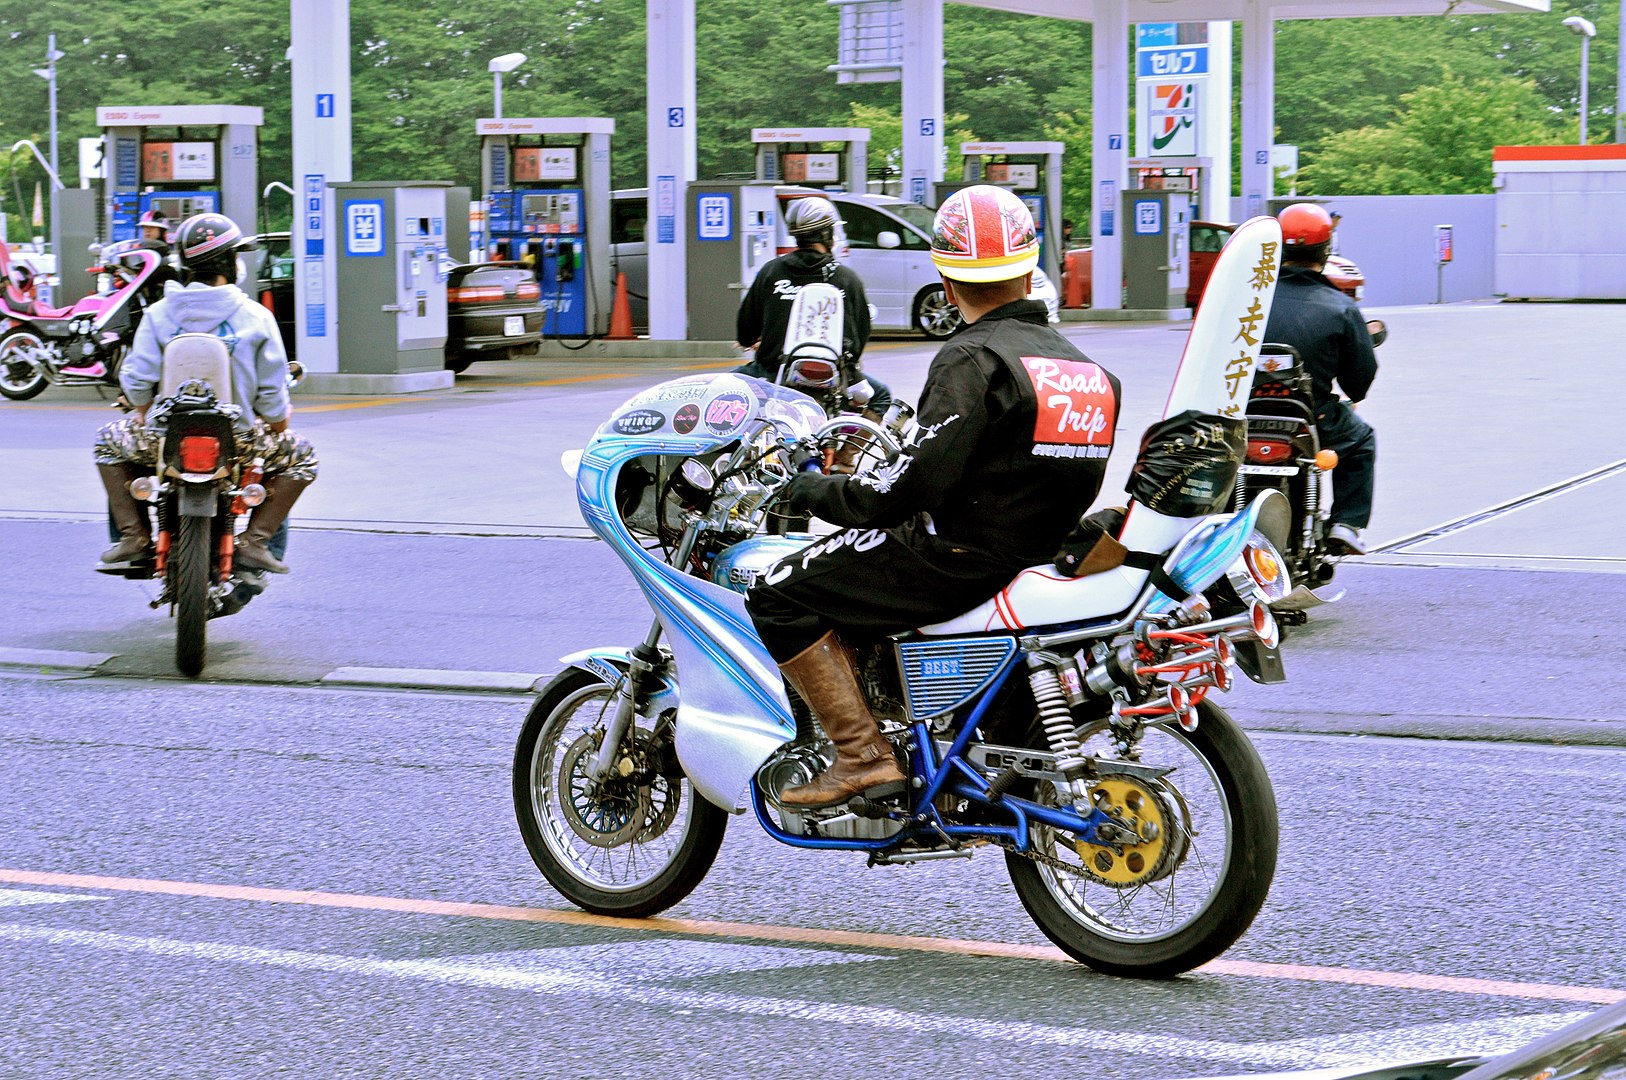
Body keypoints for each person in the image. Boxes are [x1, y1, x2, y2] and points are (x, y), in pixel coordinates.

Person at [745, 185, 1121, 810]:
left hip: (958, 558)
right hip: (1042, 554)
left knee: (777, 592)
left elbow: (904, 489)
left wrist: (810, 487)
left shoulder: (971, 358)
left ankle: (862, 756)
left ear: (947, 282)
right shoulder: (1089, 371)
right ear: (1030, 270)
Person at [93, 212, 318, 573]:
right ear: (228, 262)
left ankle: (133, 536)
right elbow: (270, 394)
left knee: (108, 440)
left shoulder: (158, 313)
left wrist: (142, 409)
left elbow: (136, 382)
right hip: (239, 438)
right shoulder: (256, 316)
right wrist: (277, 425)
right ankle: (256, 543)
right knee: (302, 455)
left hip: (164, 439)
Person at [1261, 203, 1378, 556]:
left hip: (1240, 418)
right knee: (1361, 441)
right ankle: (1346, 524)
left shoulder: (1246, 299)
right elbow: (1359, 380)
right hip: (1311, 419)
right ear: (1326, 251)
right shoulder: (1340, 306)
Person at [733, 196, 891, 418]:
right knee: (881, 396)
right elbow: (858, 340)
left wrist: (760, 342)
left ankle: (747, 452)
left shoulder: (771, 272)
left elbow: (745, 332)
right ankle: (845, 454)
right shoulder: (847, 279)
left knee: (726, 392)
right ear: (828, 234)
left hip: (772, 376)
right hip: (833, 380)